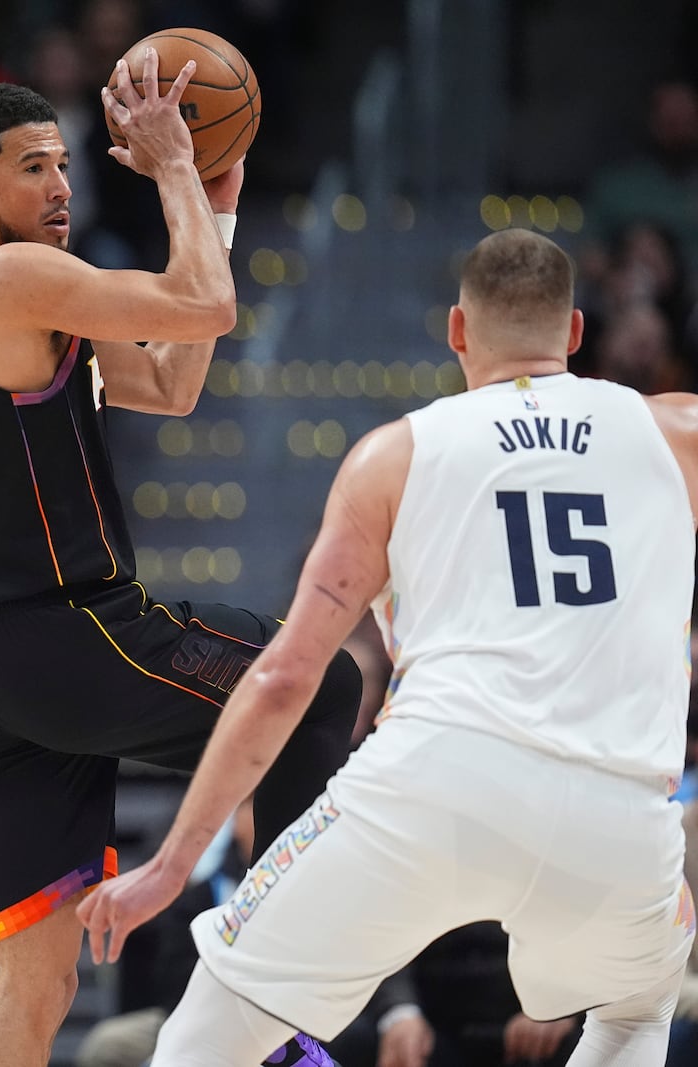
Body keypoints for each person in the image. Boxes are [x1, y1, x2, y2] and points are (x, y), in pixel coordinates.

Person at [79, 228, 698, 1067]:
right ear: (577, 332)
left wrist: (173, 860)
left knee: (211, 1024)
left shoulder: (394, 456)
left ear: (456, 331)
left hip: (438, 783)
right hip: (619, 807)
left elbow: (286, 674)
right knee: (634, 1013)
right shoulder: (677, 432)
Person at [0, 54, 359, 1067]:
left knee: (35, 987)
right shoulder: (14, 275)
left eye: (63, 164)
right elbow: (205, 308)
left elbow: (169, 385)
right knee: (317, 684)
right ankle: (273, 1000)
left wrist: (216, 211)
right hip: (65, 631)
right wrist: (176, 175)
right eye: (31, 168)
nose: (60, 187)